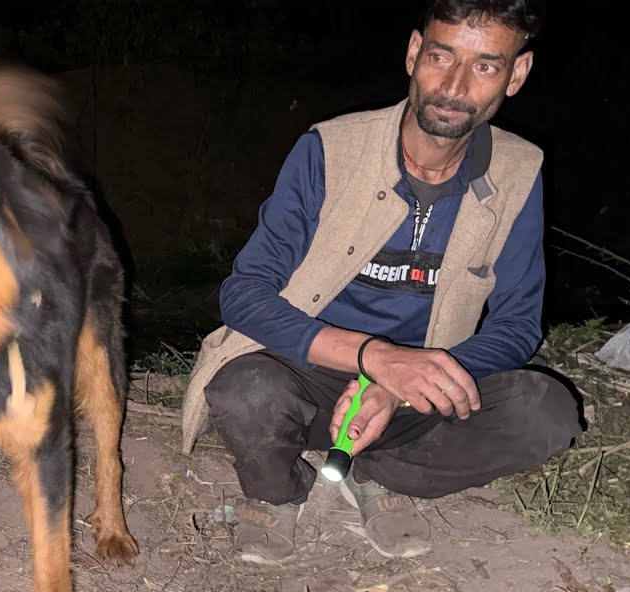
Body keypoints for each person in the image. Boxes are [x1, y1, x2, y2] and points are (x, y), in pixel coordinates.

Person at [179, 0, 582, 563]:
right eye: (442, 57)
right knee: (245, 389)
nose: (455, 85)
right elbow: (243, 293)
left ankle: (371, 473)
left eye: (486, 66)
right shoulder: (329, 150)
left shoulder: (519, 173)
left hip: (418, 387)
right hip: (307, 369)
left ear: (516, 75)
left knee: (546, 411)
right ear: (415, 53)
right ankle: (276, 494)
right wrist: (372, 358)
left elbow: (517, 325)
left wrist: (399, 382)